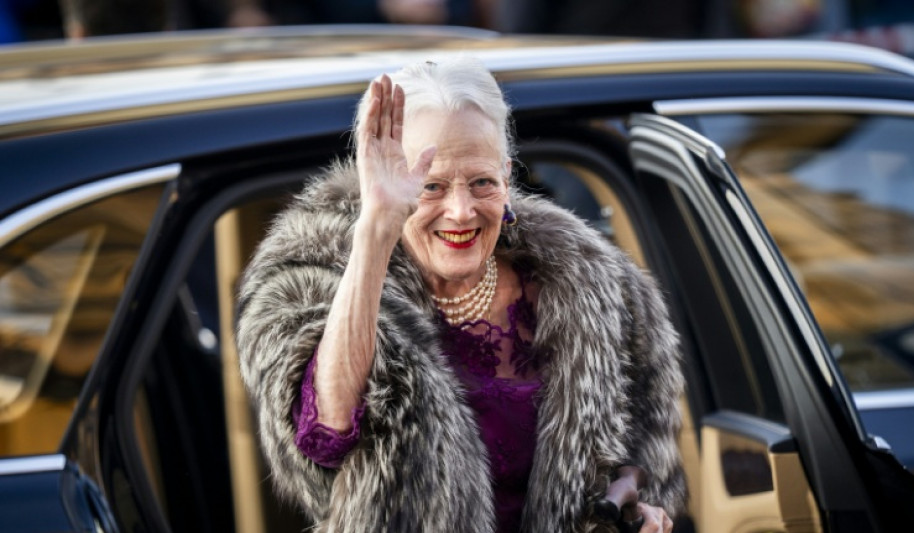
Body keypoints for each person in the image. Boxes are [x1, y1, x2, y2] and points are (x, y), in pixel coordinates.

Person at [236, 58, 685, 532]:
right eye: (429, 186)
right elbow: (324, 439)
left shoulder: (597, 295)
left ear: (507, 179)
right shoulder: (333, 297)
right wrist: (377, 229)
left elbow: (640, 460)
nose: (461, 211)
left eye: (481, 182)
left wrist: (641, 515)